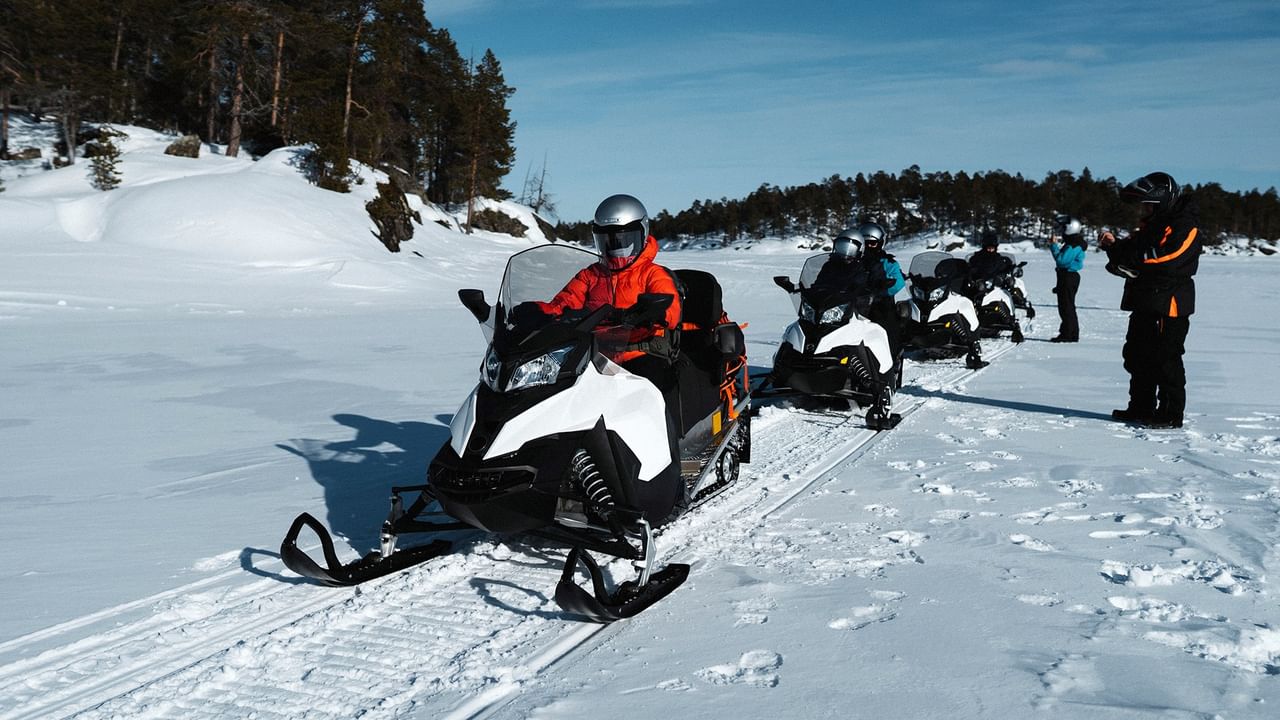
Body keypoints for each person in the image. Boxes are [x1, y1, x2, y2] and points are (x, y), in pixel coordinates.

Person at [537, 194, 682, 385]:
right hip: (595, 356)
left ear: (642, 235)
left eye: (624, 239)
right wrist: (536, 311)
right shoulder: (592, 275)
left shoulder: (652, 274)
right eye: (608, 240)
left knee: (652, 390)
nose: (616, 247)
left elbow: (671, 308)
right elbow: (564, 301)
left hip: (640, 352)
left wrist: (650, 313)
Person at [1099, 172, 1201, 428]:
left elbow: (1170, 256)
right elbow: (1130, 251)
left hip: (1170, 303)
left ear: (1161, 202)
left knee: (1165, 358)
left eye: (1147, 206)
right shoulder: (1152, 226)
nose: (1142, 211)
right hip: (1146, 300)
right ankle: (1141, 407)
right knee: (1136, 355)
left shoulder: (1184, 225)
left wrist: (1132, 262)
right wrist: (1113, 247)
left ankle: (1170, 413)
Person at [858, 221, 906, 383]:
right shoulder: (853, 260)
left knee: (886, 329)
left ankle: (889, 365)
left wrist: (883, 289)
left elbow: (898, 282)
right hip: (855, 303)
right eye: (865, 243)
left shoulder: (888, 262)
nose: (868, 246)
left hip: (880, 303)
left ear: (879, 243)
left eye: (872, 243)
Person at [1049, 215, 1087, 343]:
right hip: (1066, 276)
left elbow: (1062, 261)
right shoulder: (1073, 242)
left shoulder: (1074, 244)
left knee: (1066, 307)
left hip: (1068, 276)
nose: (1061, 230)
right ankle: (1071, 333)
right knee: (1067, 306)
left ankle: (1068, 334)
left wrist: (1053, 246)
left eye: (1064, 227)